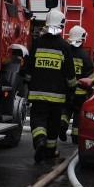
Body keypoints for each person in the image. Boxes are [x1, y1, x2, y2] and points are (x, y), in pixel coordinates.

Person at [26, 9, 77, 162]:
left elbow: (28, 70)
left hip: (37, 95)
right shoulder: (64, 46)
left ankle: (40, 141)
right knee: (53, 124)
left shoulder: (37, 43)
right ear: (61, 25)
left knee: (38, 120)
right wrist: (72, 90)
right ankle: (50, 150)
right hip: (57, 99)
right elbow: (70, 75)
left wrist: (29, 82)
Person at [66, 25, 94, 144]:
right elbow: (89, 74)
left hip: (67, 89)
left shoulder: (66, 51)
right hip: (81, 92)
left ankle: (62, 125)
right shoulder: (84, 54)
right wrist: (93, 88)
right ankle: (75, 137)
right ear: (82, 39)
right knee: (78, 114)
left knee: (66, 110)